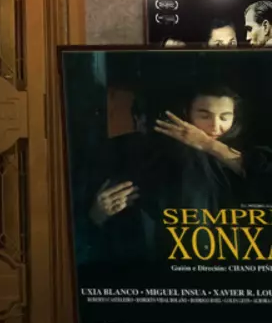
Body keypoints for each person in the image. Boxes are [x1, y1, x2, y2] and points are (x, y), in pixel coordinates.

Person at [83, 84, 265, 264]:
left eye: (225, 117)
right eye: (204, 116)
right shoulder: (155, 154)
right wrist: (97, 215)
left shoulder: (247, 154)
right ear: (187, 113)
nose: (215, 126)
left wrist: (208, 144)